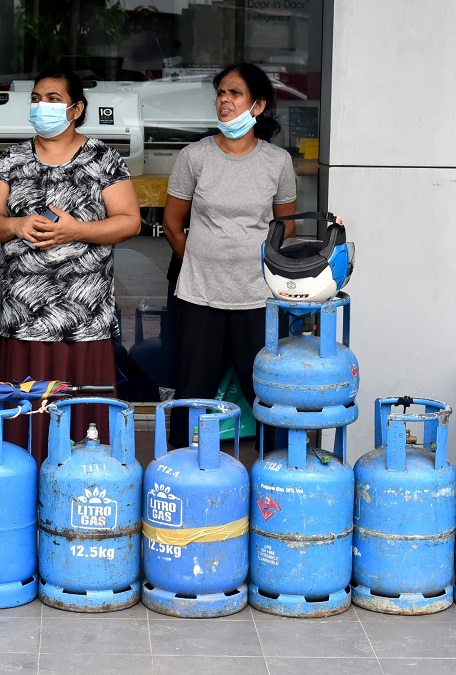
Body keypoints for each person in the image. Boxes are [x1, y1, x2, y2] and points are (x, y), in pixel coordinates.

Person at [0, 66, 140, 463]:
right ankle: (19, 493)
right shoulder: (13, 159)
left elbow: (130, 221)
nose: (41, 106)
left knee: (84, 423)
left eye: (52, 99)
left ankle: (81, 496)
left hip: (84, 319)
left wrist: (76, 231)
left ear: (76, 109)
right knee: (23, 415)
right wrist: (14, 223)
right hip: (22, 315)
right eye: (35, 99)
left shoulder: (103, 157)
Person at [162, 62, 297, 447]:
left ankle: (271, 469)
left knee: (265, 390)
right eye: (221, 92)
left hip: (256, 295)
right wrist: (202, 261)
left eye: (234, 93)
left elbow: (286, 226)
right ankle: (181, 469)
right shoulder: (194, 157)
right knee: (192, 391)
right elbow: (173, 224)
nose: (224, 100)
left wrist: (256, 263)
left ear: (258, 106)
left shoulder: (277, 162)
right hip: (200, 294)